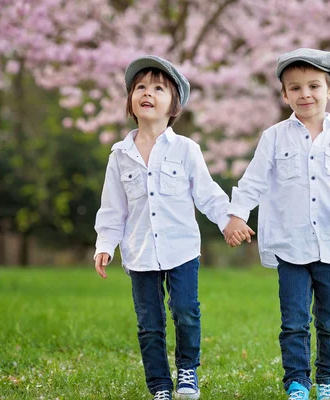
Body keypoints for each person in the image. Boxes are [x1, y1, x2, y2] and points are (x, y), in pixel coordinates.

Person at [93, 55, 251, 400]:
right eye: (140, 88)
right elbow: (112, 208)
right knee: (149, 325)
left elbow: (207, 194)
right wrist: (105, 244)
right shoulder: (119, 155)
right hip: (140, 253)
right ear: (131, 101)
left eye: (158, 88)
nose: (147, 93)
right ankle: (160, 385)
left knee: (185, 312)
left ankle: (187, 371)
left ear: (173, 104)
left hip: (181, 249)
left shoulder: (185, 149)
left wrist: (229, 220)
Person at [224, 48, 330, 400]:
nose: (305, 94)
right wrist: (236, 216)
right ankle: (297, 382)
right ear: (284, 94)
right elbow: (253, 182)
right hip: (290, 248)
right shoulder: (274, 137)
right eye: (295, 88)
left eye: (314, 86)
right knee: (293, 322)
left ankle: (328, 381)